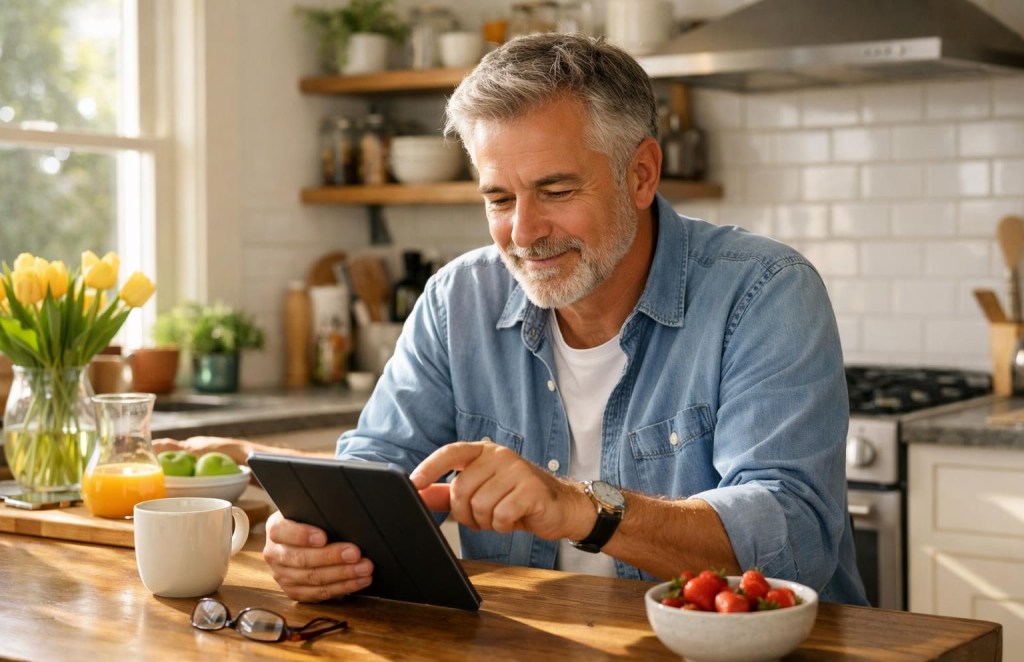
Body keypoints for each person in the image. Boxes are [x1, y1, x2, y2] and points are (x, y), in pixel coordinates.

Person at [164, 33, 866, 605]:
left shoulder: (764, 291)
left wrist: (582, 507)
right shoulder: (456, 300)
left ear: (642, 175)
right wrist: (318, 540)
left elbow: (794, 535)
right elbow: (378, 471)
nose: (524, 232)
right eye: (499, 198)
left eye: (555, 189)